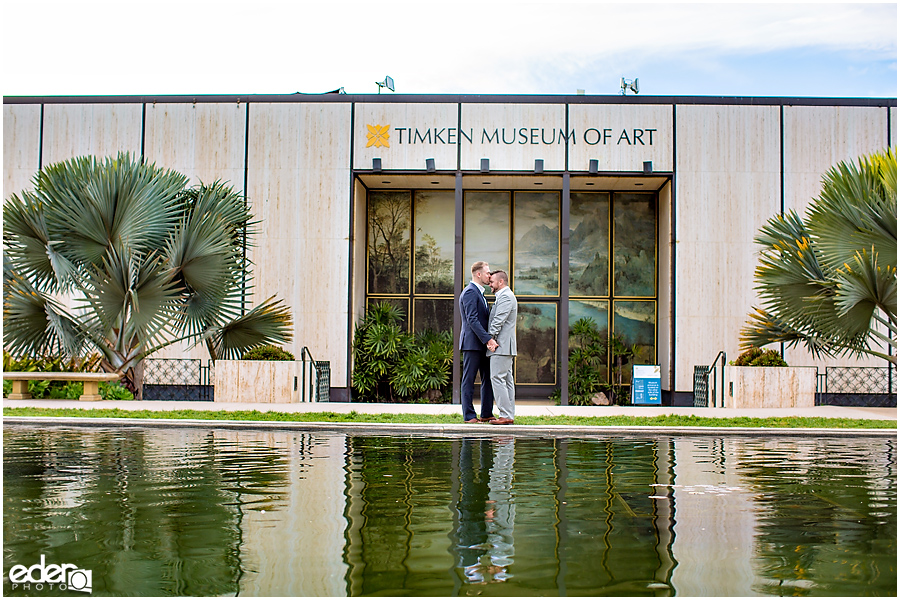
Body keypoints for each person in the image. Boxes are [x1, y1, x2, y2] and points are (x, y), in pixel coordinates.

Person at [459, 261, 495, 423]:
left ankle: (486, 413)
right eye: (487, 273)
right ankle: (469, 415)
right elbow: (472, 320)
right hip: (472, 344)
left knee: (488, 378)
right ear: (478, 274)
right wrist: (488, 339)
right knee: (469, 379)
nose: (490, 275)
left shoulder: (480, 293)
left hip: (482, 344)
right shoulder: (470, 292)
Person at [485, 270, 517, 425]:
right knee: (506, 380)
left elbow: (498, 321)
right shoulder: (505, 296)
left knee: (497, 378)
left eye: (492, 282)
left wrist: (489, 339)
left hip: (501, 345)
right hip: (505, 346)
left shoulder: (505, 297)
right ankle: (508, 415)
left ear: (501, 282)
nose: (489, 285)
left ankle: (505, 415)